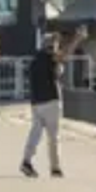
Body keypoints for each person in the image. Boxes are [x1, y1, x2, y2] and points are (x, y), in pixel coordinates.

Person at [22, 30, 81, 179]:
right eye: (55, 44)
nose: (57, 46)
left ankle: (26, 160)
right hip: (51, 99)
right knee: (53, 136)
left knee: (35, 132)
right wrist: (77, 39)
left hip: (36, 101)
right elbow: (64, 56)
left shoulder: (35, 60)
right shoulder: (49, 58)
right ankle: (55, 167)